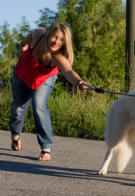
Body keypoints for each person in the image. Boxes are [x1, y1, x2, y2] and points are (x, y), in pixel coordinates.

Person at [9, 22, 88, 161]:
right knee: (18, 108)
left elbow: (69, 71)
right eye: (55, 36)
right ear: (49, 34)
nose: (57, 41)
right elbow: (27, 38)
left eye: (61, 40)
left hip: (44, 78)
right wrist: (24, 46)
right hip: (24, 72)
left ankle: (46, 147)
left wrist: (79, 82)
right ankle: (15, 136)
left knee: (39, 106)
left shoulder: (59, 56)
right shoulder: (39, 34)